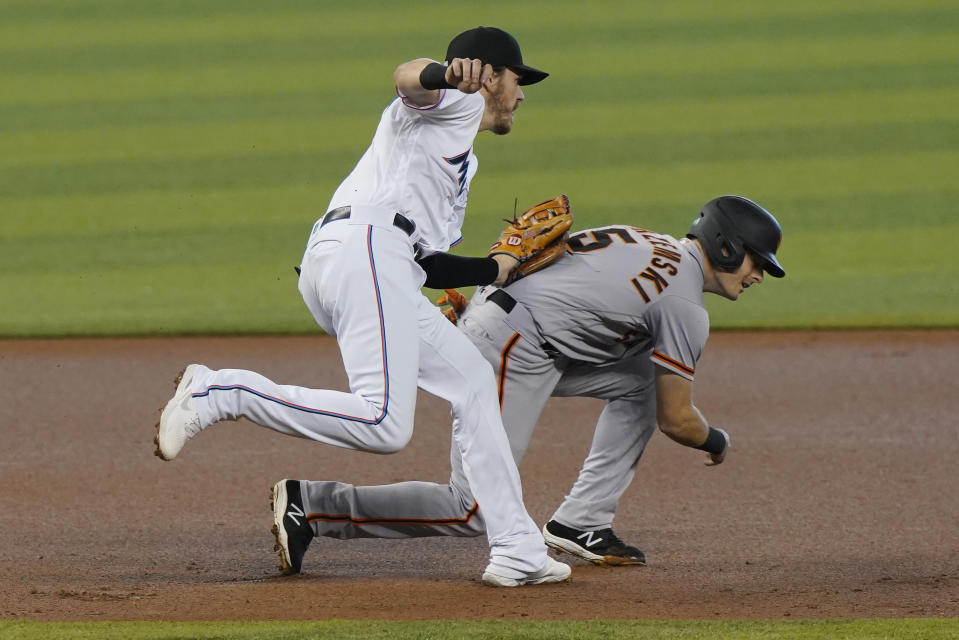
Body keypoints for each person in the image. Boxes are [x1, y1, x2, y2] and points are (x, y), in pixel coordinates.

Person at [153, 26, 572, 588]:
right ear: (490, 75)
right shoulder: (454, 103)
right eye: (519, 80)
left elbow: (429, 264)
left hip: (371, 262)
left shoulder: (459, 161)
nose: (522, 95)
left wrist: (493, 269)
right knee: (383, 424)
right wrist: (448, 74)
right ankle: (220, 390)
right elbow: (407, 77)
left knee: (472, 379)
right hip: (366, 253)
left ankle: (518, 548)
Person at [267, 195, 785, 566]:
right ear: (723, 247)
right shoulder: (685, 306)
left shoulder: (649, 240)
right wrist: (716, 440)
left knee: (642, 382)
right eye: (756, 261)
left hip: (516, 326)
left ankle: (581, 521)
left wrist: (486, 316)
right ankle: (312, 507)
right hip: (513, 342)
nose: (760, 274)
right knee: (472, 507)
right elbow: (678, 420)